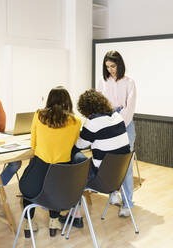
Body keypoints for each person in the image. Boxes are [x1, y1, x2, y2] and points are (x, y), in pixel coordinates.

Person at [59, 89, 131, 227]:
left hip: (100, 178)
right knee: (81, 162)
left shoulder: (93, 122)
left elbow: (79, 145)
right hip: (117, 178)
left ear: (85, 109)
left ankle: (73, 212)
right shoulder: (118, 117)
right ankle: (73, 209)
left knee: (74, 159)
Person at [19, 86, 82, 238]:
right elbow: (72, 145)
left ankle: (28, 223)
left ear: (49, 100)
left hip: (38, 174)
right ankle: (54, 221)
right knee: (56, 186)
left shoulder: (38, 115)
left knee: (28, 184)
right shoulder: (76, 121)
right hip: (61, 179)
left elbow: (33, 145)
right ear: (68, 102)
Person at [96, 50, 137, 217]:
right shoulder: (102, 81)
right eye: (107, 66)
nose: (111, 70)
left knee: (125, 165)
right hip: (107, 121)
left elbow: (130, 107)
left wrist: (117, 123)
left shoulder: (129, 82)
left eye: (113, 66)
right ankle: (113, 193)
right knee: (108, 161)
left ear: (119, 64)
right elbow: (98, 103)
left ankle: (127, 203)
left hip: (124, 124)